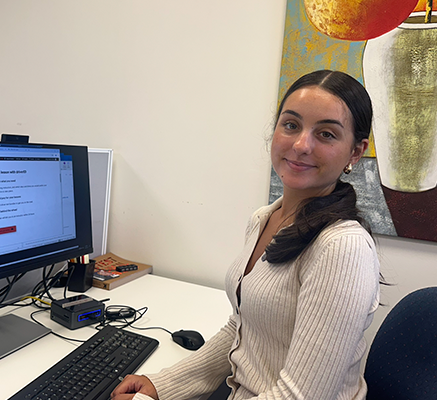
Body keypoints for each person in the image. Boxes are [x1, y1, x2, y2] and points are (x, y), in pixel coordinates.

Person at [111, 70, 381, 400]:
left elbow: (301, 397)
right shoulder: (264, 219)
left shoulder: (342, 248)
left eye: (325, 134)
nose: (300, 145)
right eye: (291, 125)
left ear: (355, 152)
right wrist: (164, 385)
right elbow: (242, 328)